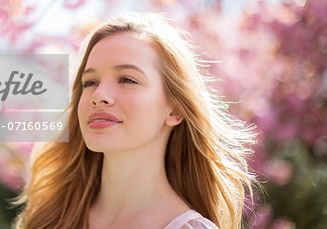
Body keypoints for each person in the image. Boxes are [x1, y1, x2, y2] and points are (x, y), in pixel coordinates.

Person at [14, 13, 257, 229]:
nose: (99, 95)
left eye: (127, 79)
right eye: (90, 82)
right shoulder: (51, 218)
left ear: (175, 110)